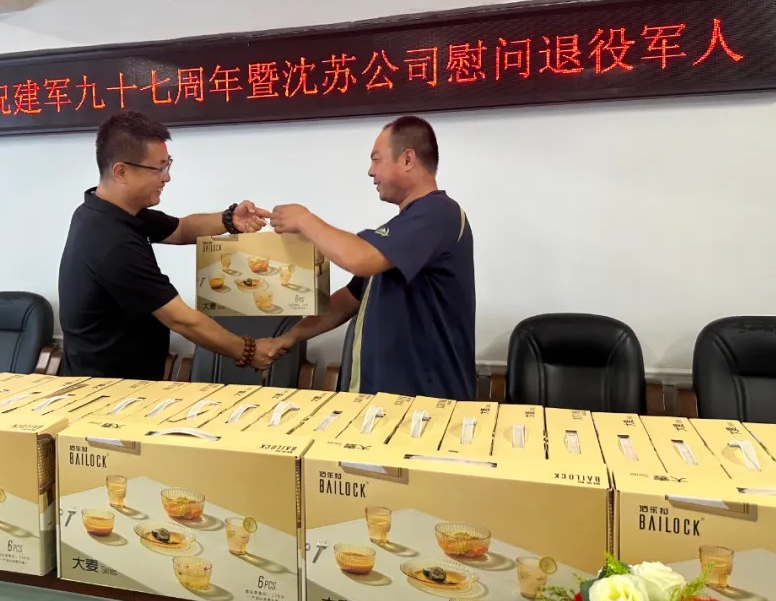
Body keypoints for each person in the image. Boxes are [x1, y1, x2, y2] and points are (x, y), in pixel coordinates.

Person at [58, 110, 280, 379]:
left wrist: (230, 219)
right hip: (106, 389)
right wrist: (248, 351)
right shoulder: (111, 240)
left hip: (127, 381)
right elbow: (180, 318)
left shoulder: (108, 211)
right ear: (121, 171)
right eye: (158, 169)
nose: (167, 177)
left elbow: (182, 229)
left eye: (168, 165)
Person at [269, 115, 476, 399]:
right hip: (382, 403)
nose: (370, 171)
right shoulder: (403, 231)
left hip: (424, 405)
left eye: (376, 160)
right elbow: (348, 300)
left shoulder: (439, 213)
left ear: (407, 159)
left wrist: (304, 219)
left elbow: (358, 258)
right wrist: (289, 337)